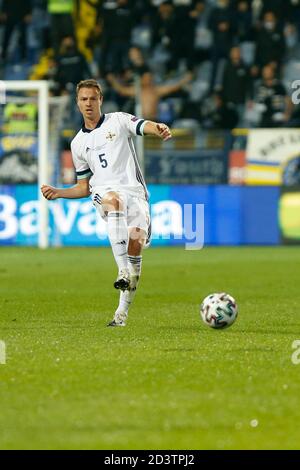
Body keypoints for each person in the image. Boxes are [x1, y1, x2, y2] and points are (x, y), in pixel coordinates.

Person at [41, 79, 172, 327]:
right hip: (104, 193)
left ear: (100, 100)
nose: (88, 103)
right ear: (77, 103)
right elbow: (83, 187)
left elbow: (144, 125)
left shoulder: (119, 120)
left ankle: (121, 314)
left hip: (136, 196)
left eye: (92, 98)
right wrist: (58, 192)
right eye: (83, 99)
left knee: (136, 244)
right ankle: (121, 269)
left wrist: (160, 128)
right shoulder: (78, 143)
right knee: (113, 201)